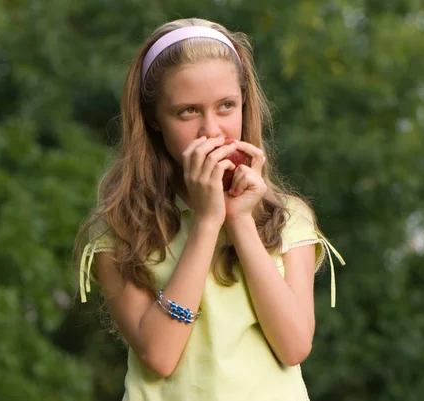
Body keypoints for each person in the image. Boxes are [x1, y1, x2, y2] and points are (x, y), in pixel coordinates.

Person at [75, 17, 345, 401]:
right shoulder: (120, 228)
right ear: (154, 119)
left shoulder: (287, 216)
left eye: (226, 106)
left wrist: (238, 220)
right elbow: (160, 356)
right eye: (187, 111)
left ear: (243, 103)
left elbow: (295, 346)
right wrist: (206, 222)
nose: (212, 130)